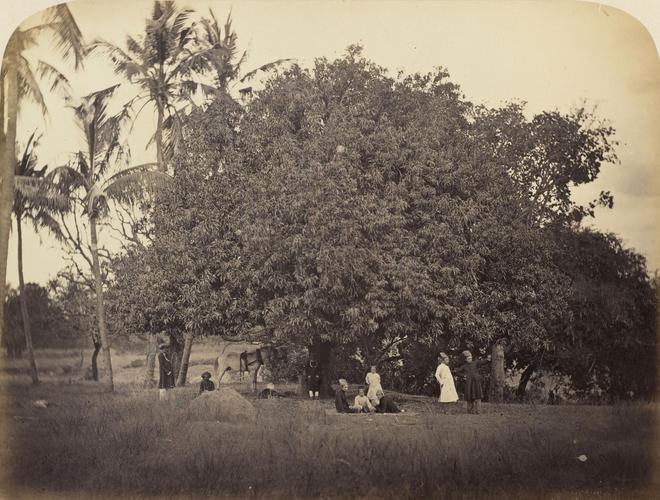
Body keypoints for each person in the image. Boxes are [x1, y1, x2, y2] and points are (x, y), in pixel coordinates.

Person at [454, 350, 489, 414]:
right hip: (469, 383)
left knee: (478, 396)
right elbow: (457, 371)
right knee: (469, 397)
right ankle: (470, 411)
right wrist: (463, 376)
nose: (470, 359)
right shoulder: (464, 366)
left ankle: (478, 411)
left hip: (476, 382)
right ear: (465, 359)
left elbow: (482, 362)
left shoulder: (475, 363)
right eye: (468, 358)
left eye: (471, 358)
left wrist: (488, 359)